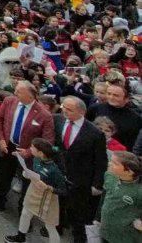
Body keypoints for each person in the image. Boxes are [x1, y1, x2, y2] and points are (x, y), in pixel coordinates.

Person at [0, 81, 56, 215]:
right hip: (8, 146)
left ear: (31, 96)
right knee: (3, 176)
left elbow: (48, 140)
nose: (15, 93)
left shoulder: (44, 115)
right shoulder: (9, 101)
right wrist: (0, 139)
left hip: (29, 154)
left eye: (19, 91)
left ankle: (23, 211)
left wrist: (30, 152)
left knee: (27, 183)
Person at [55, 95, 107, 243]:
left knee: (78, 212)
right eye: (64, 107)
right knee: (59, 203)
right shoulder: (58, 120)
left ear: (81, 112)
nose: (65, 111)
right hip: (60, 174)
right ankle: (57, 227)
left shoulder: (95, 133)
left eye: (69, 109)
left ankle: (79, 238)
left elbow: (101, 162)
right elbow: (56, 145)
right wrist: (54, 152)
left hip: (81, 179)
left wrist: (97, 184)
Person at [5, 139, 67, 243]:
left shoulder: (55, 170)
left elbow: (64, 190)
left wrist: (48, 187)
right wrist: (27, 174)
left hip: (49, 199)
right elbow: (34, 171)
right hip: (34, 191)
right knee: (25, 214)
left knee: (50, 226)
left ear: (41, 153)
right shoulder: (36, 159)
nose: (30, 149)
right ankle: (21, 237)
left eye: (33, 147)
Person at [99, 151, 142, 243]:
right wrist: (97, 217)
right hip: (106, 233)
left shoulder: (138, 191)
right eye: (110, 161)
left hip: (126, 238)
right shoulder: (109, 176)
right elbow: (105, 197)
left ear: (129, 171)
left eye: (115, 163)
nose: (109, 164)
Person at [87, 82, 142, 151]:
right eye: (109, 94)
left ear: (126, 99)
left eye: (116, 95)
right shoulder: (95, 108)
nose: (111, 97)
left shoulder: (135, 118)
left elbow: (134, 142)